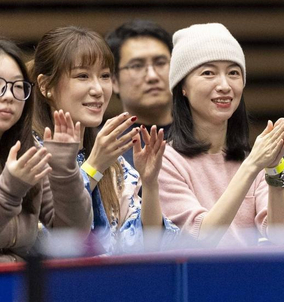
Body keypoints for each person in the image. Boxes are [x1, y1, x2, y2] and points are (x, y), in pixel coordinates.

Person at [32, 26, 176, 254]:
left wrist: (150, 184)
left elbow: (147, 246)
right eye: (82, 76)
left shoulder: (113, 160)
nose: (98, 89)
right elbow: (47, 238)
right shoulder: (28, 152)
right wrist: (94, 167)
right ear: (45, 86)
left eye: (105, 76)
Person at [159, 23, 284, 247]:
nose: (224, 85)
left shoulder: (249, 158)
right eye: (208, 73)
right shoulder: (166, 161)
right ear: (183, 87)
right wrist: (253, 165)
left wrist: (273, 168)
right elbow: (202, 236)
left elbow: (279, 234)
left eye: (233, 73)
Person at [0, 39, 92, 261]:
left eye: (18, 86)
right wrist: (8, 192)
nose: (9, 95)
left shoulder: (28, 149)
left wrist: (65, 171)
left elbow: (73, 234)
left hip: (20, 278)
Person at [105, 20, 173, 169]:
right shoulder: (101, 148)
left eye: (160, 63)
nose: (152, 76)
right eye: (137, 66)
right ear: (114, 81)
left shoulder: (201, 137)